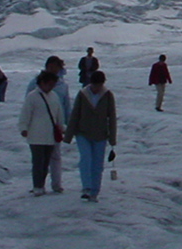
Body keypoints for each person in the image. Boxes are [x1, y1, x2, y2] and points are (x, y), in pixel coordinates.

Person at [64, 70, 117, 203]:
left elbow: (112, 117)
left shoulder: (108, 95)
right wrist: (68, 135)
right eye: (94, 85)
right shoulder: (83, 94)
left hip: (101, 134)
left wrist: (112, 138)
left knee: (98, 164)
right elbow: (75, 114)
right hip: (83, 133)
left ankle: (95, 191)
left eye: (98, 85)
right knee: (86, 159)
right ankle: (86, 188)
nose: (96, 88)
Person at [25, 56, 72, 193]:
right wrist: (26, 125)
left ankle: (56, 184)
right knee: (40, 157)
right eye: (50, 67)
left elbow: (66, 106)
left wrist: (67, 124)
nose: (53, 70)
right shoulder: (34, 83)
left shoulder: (62, 85)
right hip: (38, 126)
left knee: (55, 156)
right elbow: (28, 104)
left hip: (55, 125)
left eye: (55, 67)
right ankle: (39, 184)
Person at [18, 70, 64, 196]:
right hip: (36, 135)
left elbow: (59, 114)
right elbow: (25, 114)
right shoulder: (32, 96)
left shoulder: (54, 96)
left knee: (45, 162)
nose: (51, 87)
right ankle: (37, 185)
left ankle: (41, 184)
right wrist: (23, 128)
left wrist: (61, 126)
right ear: (42, 83)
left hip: (49, 136)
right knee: (38, 161)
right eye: (49, 84)